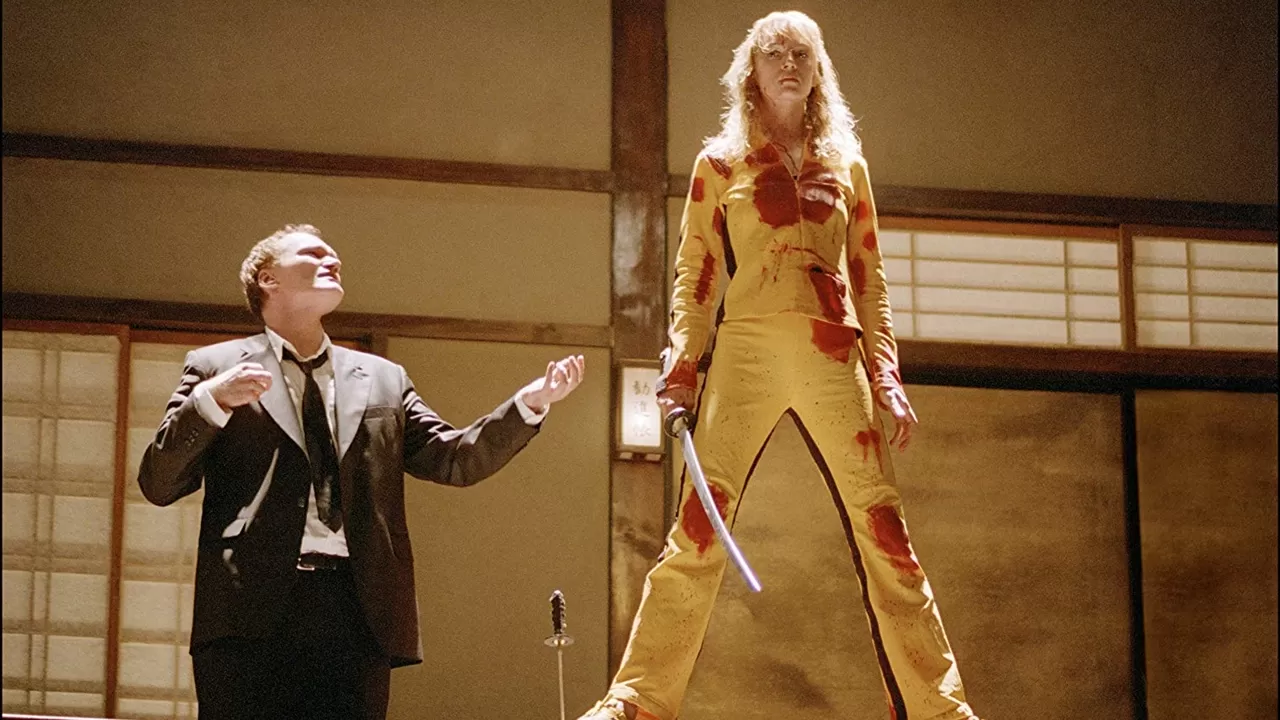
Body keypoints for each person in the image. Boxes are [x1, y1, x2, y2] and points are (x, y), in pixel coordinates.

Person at [579, 11, 978, 720]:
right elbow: (696, 272)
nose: (789, 64)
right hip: (747, 350)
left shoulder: (848, 165)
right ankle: (636, 701)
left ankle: (941, 709)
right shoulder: (719, 165)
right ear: (751, 73)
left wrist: (886, 373)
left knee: (885, 531)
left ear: (818, 70)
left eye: (801, 53)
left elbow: (870, 275)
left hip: (834, 351)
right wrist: (682, 369)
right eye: (774, 54)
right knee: (698, 527)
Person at [138, 223, 585, 720]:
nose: (332, 260)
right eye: (314, 253)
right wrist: (210, 401)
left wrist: (529, 405)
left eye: (334, 256)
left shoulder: (382, 378)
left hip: (356, 609)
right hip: (245, 612)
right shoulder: (214, 367)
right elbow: (159, 483)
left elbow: (453, 459)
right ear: (268, 279)